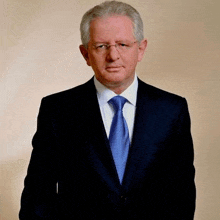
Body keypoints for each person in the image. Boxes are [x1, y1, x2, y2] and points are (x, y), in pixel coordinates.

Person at [19, 1, 196, 219]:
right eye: (101, 46)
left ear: (140, 49)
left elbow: (182, 195)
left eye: (123, 44)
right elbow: (37, 196)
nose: (113, 56)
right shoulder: (57, 111)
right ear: (85, 54)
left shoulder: (171, 110)